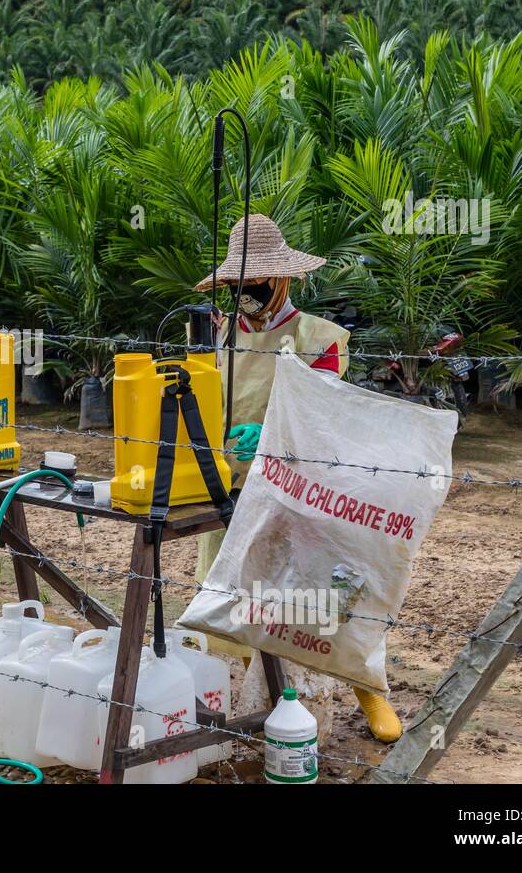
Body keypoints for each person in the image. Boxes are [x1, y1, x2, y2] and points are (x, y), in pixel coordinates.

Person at [196, 214, 403, 743]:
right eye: (236, 285)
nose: (245, 294)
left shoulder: (319, 339)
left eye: (255, 284)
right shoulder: (216, 334)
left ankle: (368, 689)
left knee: (320, 595)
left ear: (283, 280)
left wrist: (266, 432)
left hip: (301, 486)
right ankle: (243, 701)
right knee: (230, 590)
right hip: (230, 483)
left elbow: (322, 417)